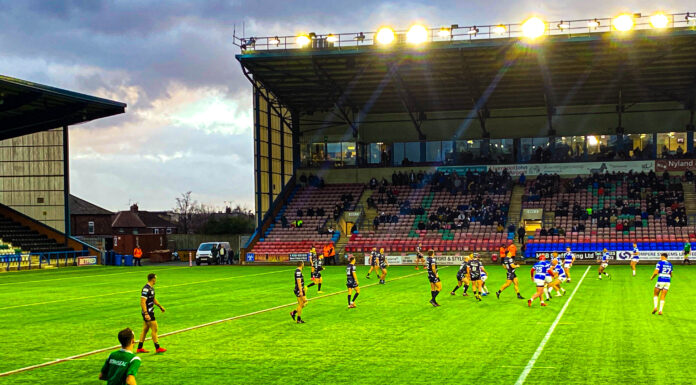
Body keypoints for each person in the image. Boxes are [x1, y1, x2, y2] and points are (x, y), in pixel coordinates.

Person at [137, 274, 166, 354]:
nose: (156, 280)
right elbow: (142, 301)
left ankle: (139, 348)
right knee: (154, 329)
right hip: (148, 312)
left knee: (145, 329)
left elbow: (153, 299)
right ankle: (157, 348)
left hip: (150, 311)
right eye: (155, 278)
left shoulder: (151, 288)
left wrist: (160, 306)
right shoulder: (146, 289)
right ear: (153, 279)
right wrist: (146, 313)